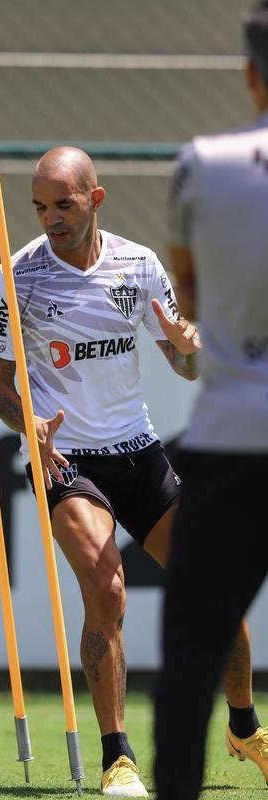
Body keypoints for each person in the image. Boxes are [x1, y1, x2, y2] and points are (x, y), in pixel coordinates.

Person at [0, 144, 263, 797]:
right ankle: (118, 757)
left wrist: (191, 349)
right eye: (40, 206)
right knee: (106, 592)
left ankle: (244, 727)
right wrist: (30, 425)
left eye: (63, 204)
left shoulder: (138, 266)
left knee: (217, 590)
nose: (50, 217)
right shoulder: (14, 277)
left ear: (94, 198)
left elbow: (182, 361)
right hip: (64, 457)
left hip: (138, 452)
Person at [154, 2, 268, 798]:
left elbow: (188, 290)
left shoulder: (201, 163)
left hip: (233, 433)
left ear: (249, 74)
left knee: (193, 644)